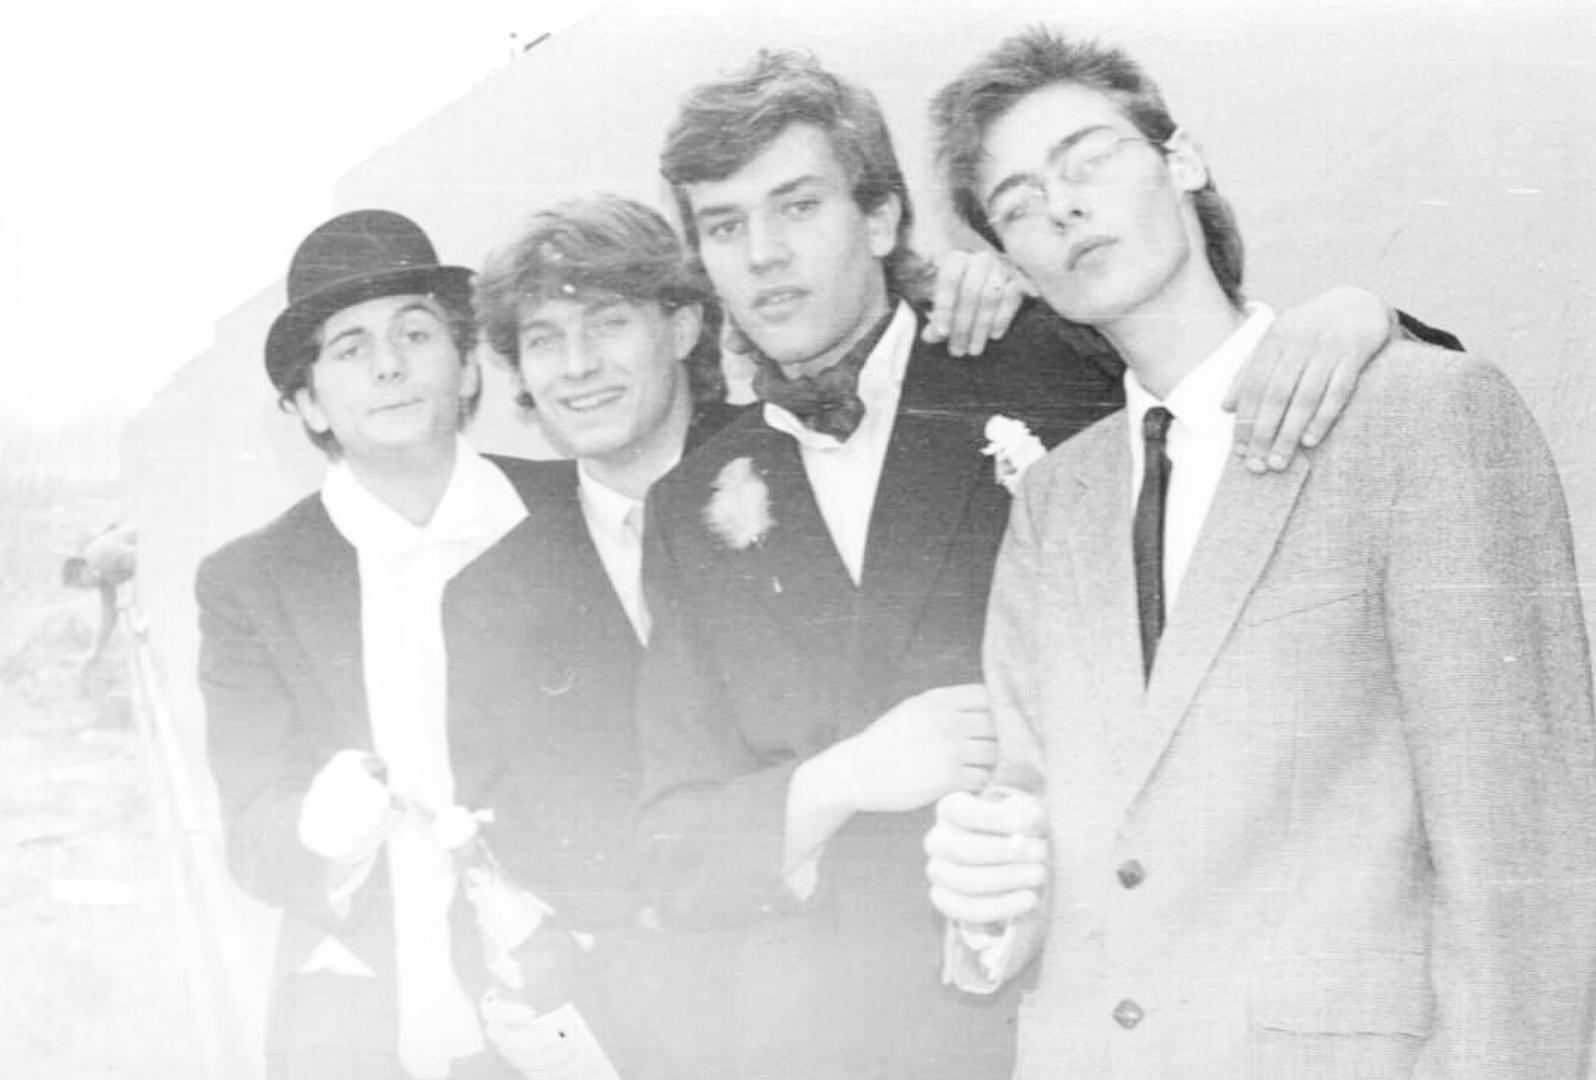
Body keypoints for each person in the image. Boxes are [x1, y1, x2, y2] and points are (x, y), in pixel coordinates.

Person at [633, 48, 1429, 1079]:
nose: (764, 255)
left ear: (881, 218)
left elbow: (1265, 379)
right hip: (844, 1042)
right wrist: (838, 781)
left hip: (1102, 1013)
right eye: (724, 225)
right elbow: (672, 851)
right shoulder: (687, 504)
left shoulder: (1043, 352)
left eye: (798, 206)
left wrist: (1364, 318)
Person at [924, 29, 1596, 1080]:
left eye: (1088, 158)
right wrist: (986, 903)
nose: (1061, 207)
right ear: (1016, 267)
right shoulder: (1053, 501)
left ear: (1182, 159)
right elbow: (1037, 813)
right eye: (1016, 203)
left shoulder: (1420, 412)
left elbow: (1527, 864)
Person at [199, 209, 560, 1080]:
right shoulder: (251, 581)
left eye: (416, 333)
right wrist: (319, 829)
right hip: (366, 1019)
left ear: (467, 365)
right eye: (350, 348)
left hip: (572, 991)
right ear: (307, 403)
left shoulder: (566, 514)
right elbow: (251, 837)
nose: (389, 365)